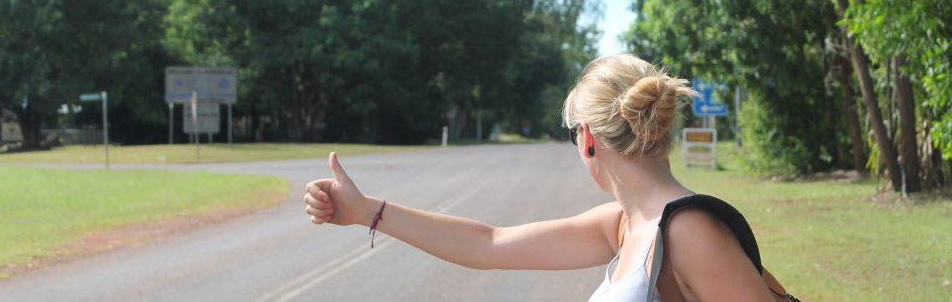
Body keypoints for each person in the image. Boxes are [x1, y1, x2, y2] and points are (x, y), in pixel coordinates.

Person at [303, 54, 775, 301]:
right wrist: (368, 212)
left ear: (588, 137)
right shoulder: (623, 225)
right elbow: (488, 245)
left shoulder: (688, 232)